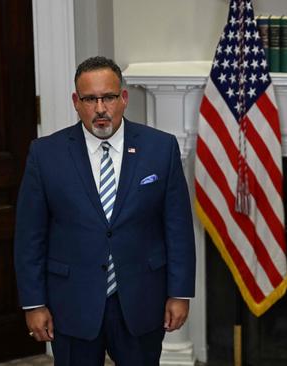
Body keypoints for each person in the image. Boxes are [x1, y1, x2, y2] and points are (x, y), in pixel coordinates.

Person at [13, 56, 196, 365]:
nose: (100, 108)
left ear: (123, 98)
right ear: (76, 101)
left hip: (141, 301)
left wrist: (179, 293)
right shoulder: (45, 155)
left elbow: (177, 228)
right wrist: (34, 303)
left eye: (108, 97)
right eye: (89, 99)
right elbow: (30, 237)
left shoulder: (160, 149)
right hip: (72, 304)